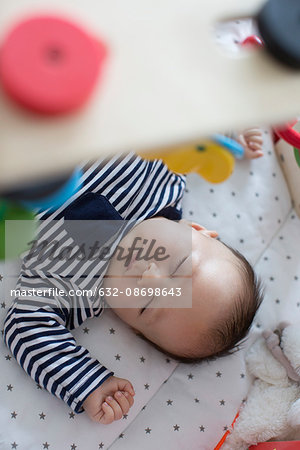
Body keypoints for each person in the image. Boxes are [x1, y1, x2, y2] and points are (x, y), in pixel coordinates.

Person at [3, 128, 264, 425]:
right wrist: (228, 141)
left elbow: (26, 328)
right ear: (197, 230)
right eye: (180, 266)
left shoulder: (75, 287)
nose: (150, 278)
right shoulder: (165, 177)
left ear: (131, 327)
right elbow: (185, 121)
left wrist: (89, 385)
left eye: (147, 305)